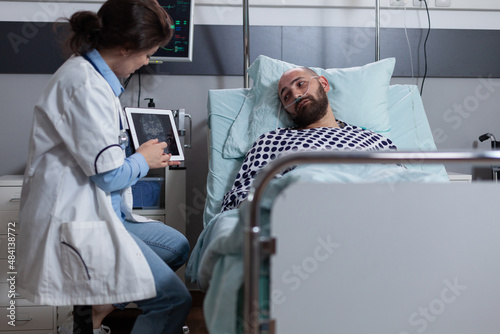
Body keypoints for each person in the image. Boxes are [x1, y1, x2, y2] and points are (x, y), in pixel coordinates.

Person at [17, 1, 191, 333]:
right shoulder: (84, 86)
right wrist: (144, 159)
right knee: (173, 300)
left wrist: (135, 154)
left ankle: (99, 306)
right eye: (146, 55)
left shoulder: (94, 79)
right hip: (80, 219)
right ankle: (94, 309)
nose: (145, 63)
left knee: (177, 246)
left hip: (108, 215)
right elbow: (110, 176)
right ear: (126, 47)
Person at [221, 67, 398, 212]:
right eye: (286, 96)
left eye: (300, 84)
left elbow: (405, 184)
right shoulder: (272, 141)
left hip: (375, 205)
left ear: (323, 84)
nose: (296, 95)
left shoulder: (374, 140)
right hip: (309, 207)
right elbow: (242, 195)